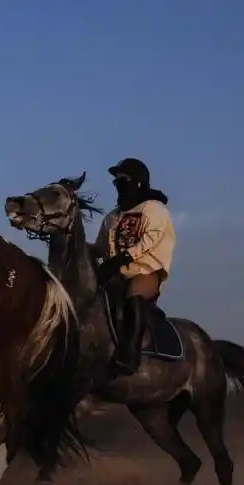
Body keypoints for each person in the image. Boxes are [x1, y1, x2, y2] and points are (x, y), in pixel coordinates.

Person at [90, 157, 175, 375]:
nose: (118, 184)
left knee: (134, 296)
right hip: (115, 274)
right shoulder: (112, 217)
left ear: (138, 183)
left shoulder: (154, 210)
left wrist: (124, 257)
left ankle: (130, 354)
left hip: (145, 271)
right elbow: (100, 248)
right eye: (116, 181)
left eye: (123, 179)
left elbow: (150, 239)